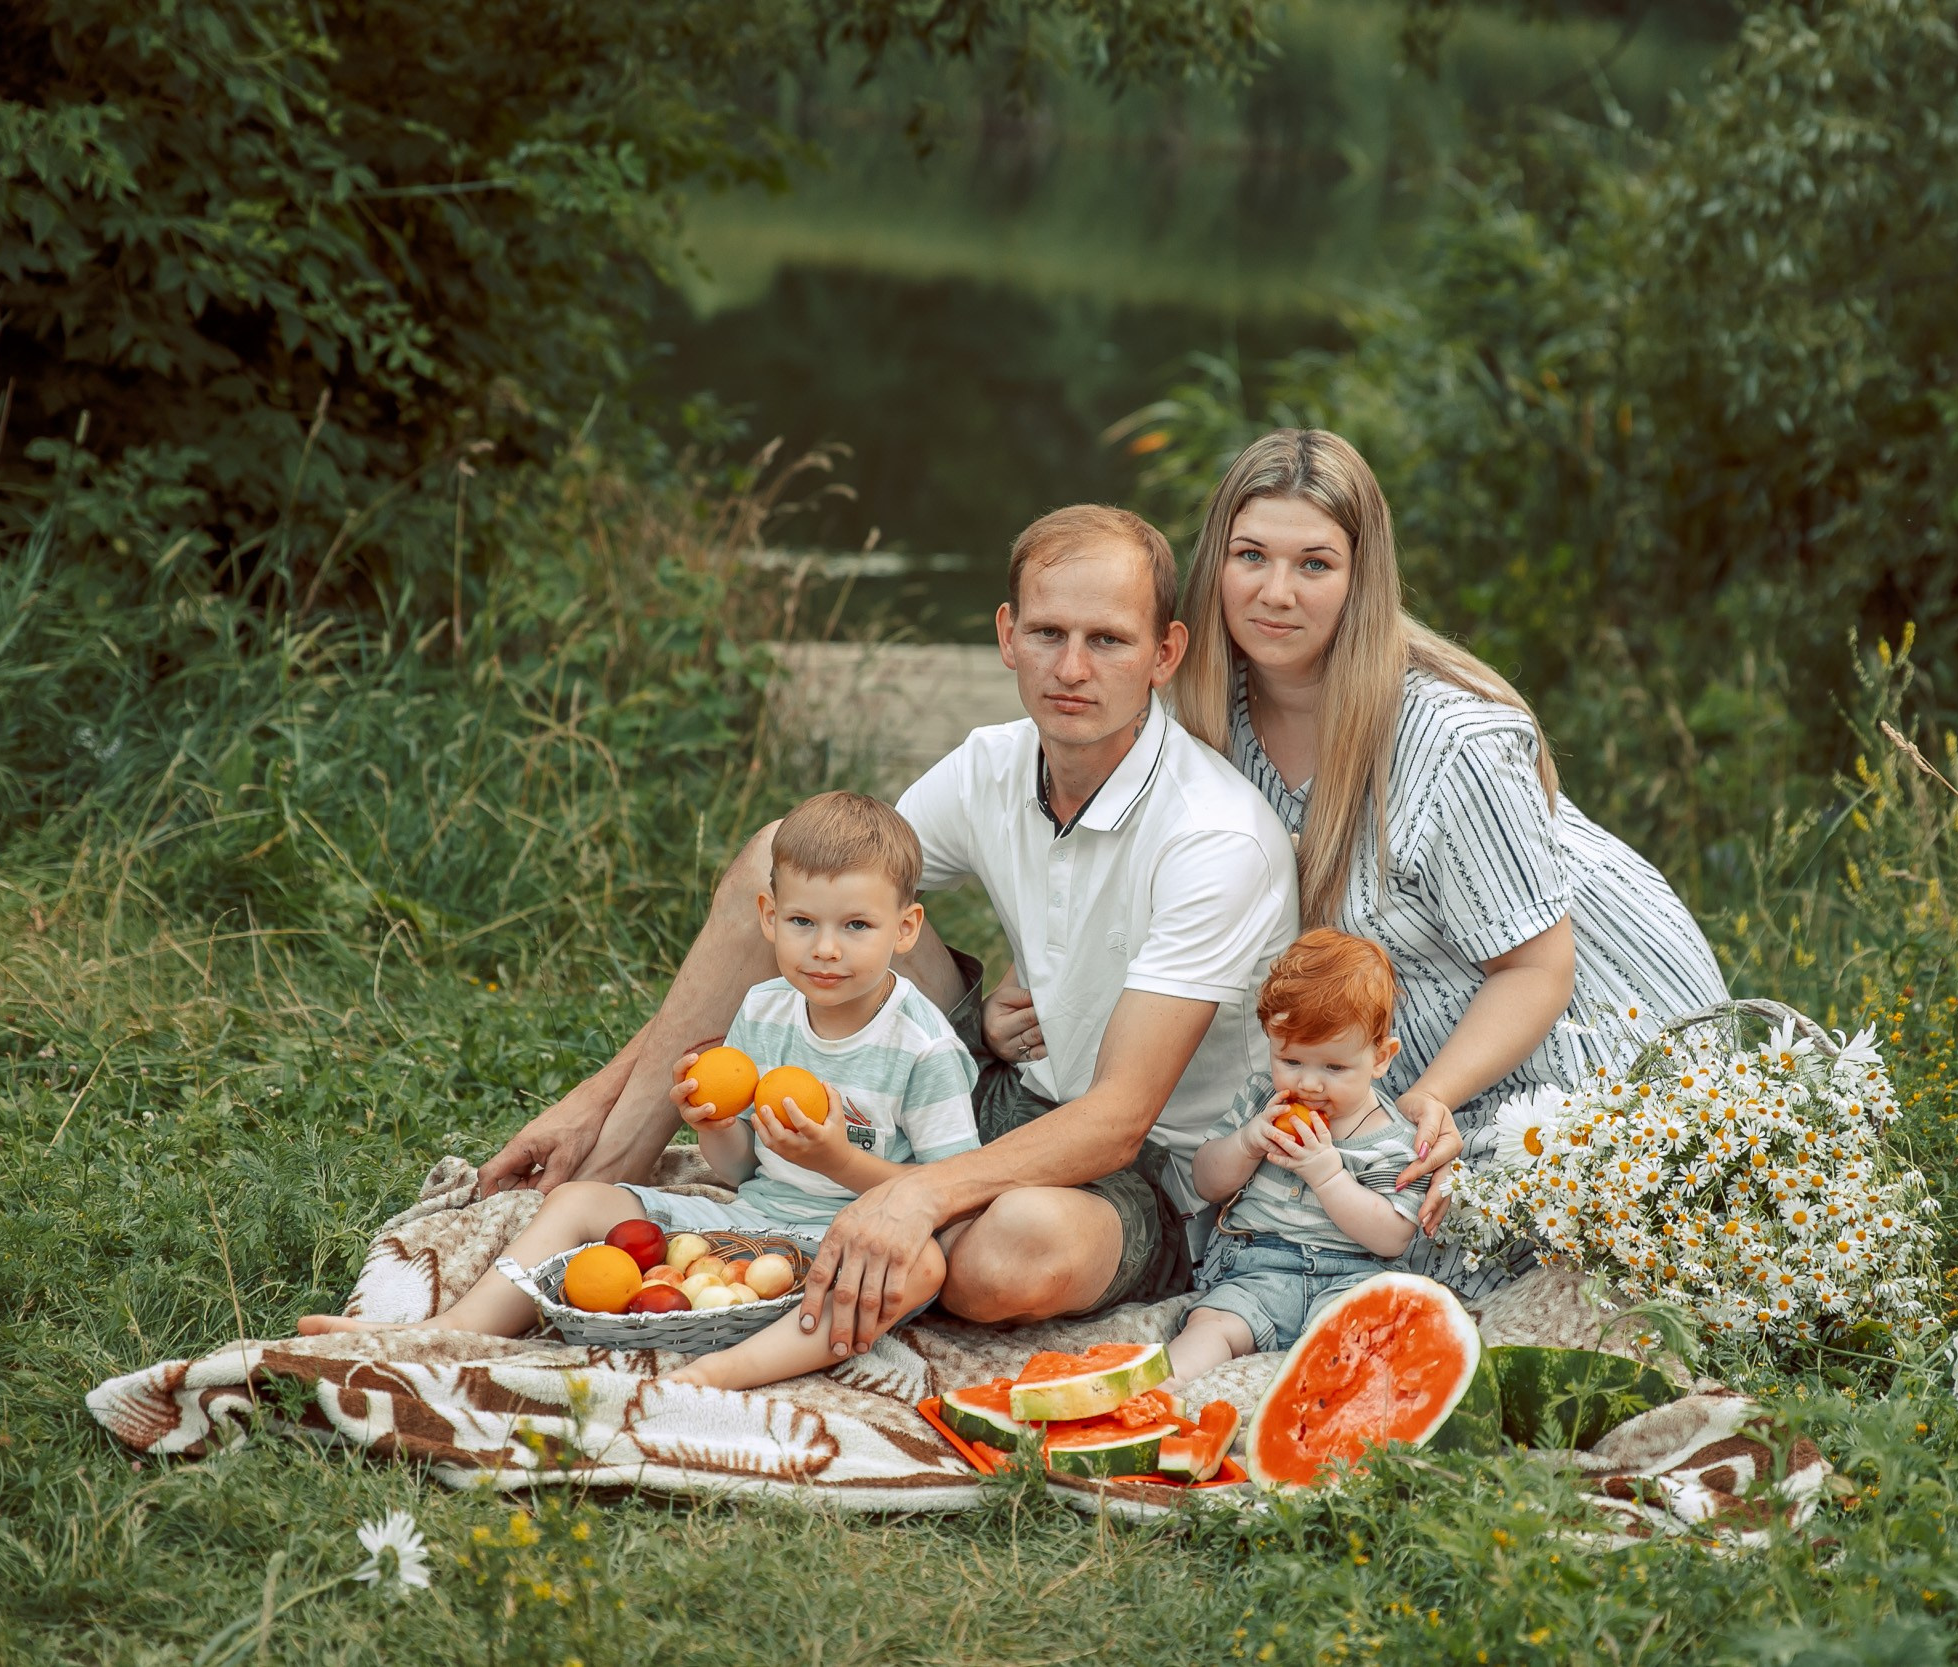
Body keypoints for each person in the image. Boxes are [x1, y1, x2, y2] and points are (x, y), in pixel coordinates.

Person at [475, 505, 1299, 1356]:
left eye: (1109, 641)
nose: (1073, 667)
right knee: (786, 860)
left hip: (1156, 1170)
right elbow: (832, 905)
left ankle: (863, 1229)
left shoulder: (1214, 837)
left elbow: (1119, 1119)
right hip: (993, 1087)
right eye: (1049, 632)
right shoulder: (993, 761)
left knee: (1007, 1258)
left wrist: (919, 1194)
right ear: (1007, 635)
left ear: (1165, 652)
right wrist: (591, 1096)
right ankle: (607, 1172)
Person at [1054, 428, 1723, 1300]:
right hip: (1373, 1042)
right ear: (1215, 561)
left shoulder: (1453, 742)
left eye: (1315, 564)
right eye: (1250, 555)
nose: (1276, 593)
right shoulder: (1208, 728)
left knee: (1459, 1240)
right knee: (1277, 1209)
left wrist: (1425, 1105)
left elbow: (1536, 967)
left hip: (1556, 1031)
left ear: (1360, 579)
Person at [300, 792, 980, 1391]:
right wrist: (711, 1122)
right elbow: (740, 1170)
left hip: (855, 1249)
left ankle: (718, 1373)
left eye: (856, 926)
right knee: (576, 1199)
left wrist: (838, 1161)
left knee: (920, 1266)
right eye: (804, 922)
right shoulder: (765, 1010)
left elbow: (946, 1200)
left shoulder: (924, 1050)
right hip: (748, 1230)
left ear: (906, 929)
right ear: (769, 916)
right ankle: (454, 1330)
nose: (825, 949)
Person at [1168, 928, 1423, 1383]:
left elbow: (1393, 1237)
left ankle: (1327, 1405)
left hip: (1352, 1277)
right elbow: (1206, 1182)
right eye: (1291, 1061)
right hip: (1256, 1269)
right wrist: (1247, 1143)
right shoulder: (1260, 1103)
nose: (1308, 1084)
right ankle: (1163, 1391)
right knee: (1212, 1325)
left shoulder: (1393, 1139)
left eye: (1334, 1067)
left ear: (1381, 1058)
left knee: (1371, 1336)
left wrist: (1328, 1175)